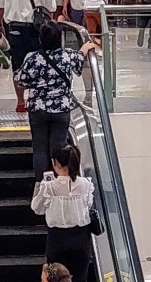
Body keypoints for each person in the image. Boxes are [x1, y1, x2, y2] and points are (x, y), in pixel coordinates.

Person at [14, 22, 97, 174]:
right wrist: (84, 48)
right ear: (60, 39)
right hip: (61, 109)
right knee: (59, 147)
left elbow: (20, 80)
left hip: (38, 109)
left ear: (41, 39)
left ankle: (42, 183)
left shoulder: (33, 59)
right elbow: (80, 58)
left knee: (39, 149)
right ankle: (60, 180)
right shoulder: (67, 56)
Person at [34, 145, 96, 282]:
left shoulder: (49, 187)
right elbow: (89, 206)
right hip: (81, 238)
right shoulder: (86, 185)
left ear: (56, 163)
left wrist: (39, 186)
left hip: (58, 239)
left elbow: (37, 208)